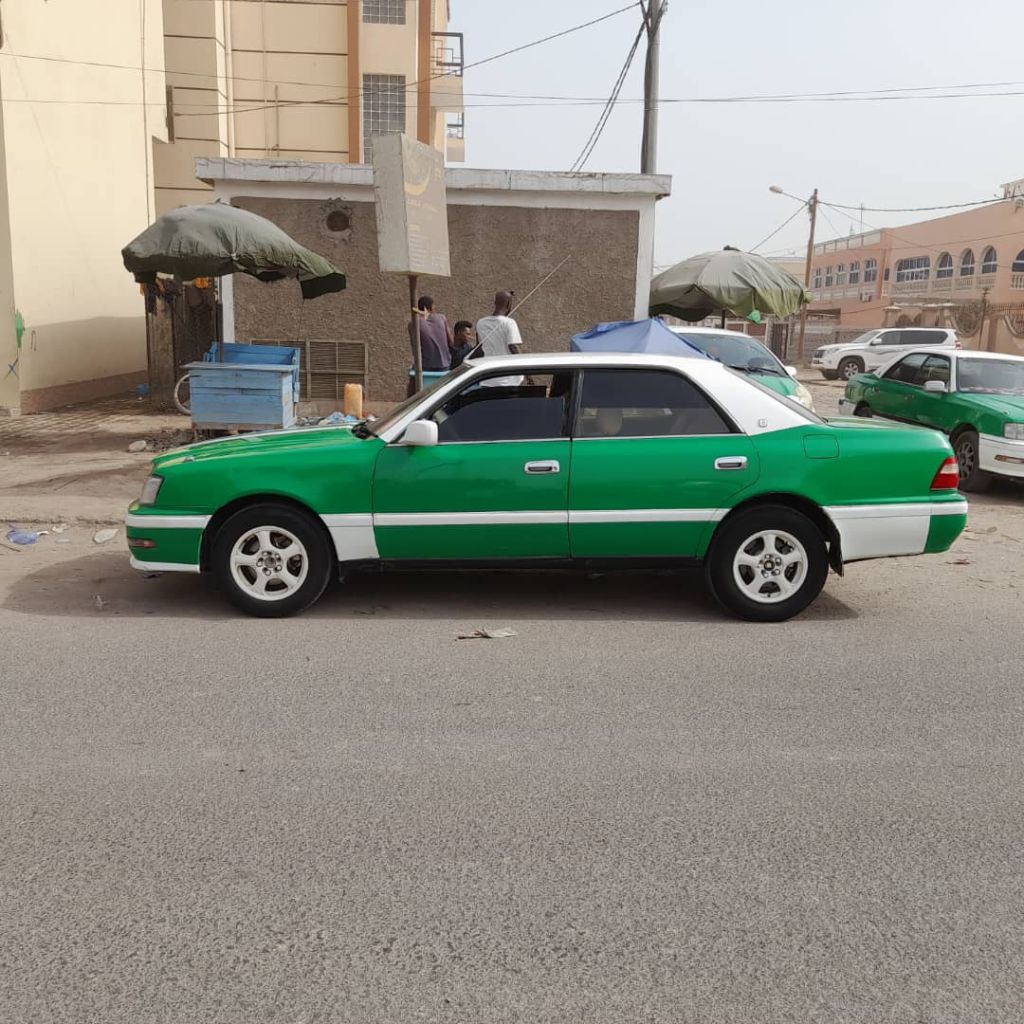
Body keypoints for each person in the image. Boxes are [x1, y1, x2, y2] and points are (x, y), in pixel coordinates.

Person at [475, 290, 524, 388]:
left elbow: (478, 348)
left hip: (487, 380)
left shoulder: (480, 323)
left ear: (495, 303)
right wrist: (528, 373)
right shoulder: (509, 323)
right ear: (509, 304)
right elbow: (513, 347)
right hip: (508, 381)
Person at [408, 296, 453, 395]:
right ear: (431, 307)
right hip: (444, 365)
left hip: (424, 365)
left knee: (412, 380)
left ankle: (409, 405)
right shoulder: (442, 318)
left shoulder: (413, 323)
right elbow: (450, 342)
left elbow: (414, 348)